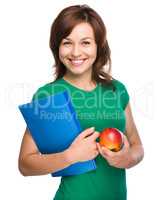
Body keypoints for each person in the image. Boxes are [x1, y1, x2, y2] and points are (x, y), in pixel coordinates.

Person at [18, 4, 144, 200]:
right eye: (67, 42)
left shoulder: (116, 90)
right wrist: (71, 156)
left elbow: (137, 146)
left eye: (85, 42)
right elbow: (25, 164)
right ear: (57, 46)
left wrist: (127, 158)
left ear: (98, 45)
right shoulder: (48, 96)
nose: (76, 52)